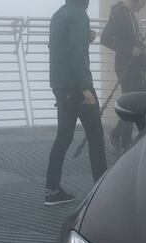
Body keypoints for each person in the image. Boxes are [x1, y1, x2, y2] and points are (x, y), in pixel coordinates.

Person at [45, 0, 107, 206]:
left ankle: (52, 189)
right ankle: (102, 187)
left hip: (60, 84)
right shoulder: (79, 15)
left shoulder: (59, 14)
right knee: (96, 135)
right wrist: (85, 87)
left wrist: (84, 38)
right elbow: (76, 53)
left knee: (63, 136)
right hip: (77, 86)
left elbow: (59, 46)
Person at [101, 0, 146, 152]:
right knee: (131, 102)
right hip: (125, 66)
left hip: (133, 65)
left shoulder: (131, 15)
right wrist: (129, 49)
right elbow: (105, 39)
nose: (144, 5)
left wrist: (141, 48)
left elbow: (130, 38)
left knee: (132, 102)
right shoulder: (119, 14)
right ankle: (123, 139)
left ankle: (120, 137)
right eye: (143, 2)